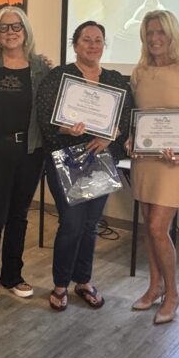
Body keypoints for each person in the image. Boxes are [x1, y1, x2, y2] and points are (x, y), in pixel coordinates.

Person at [37, 20, 131, 312]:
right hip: (67, 158)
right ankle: (61, 285)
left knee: (91, 225)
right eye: (86, 39)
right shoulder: (59, 76)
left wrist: (109, 135)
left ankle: (83, 282)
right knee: (71, 224)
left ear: (104, 45)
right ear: (75, 45)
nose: (93, 45)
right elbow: (45, 117)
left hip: (101, 158)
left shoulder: (116, 79)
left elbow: (126, 117)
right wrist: (69, 130)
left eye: (98, 40)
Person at [128, 10, 179, 324]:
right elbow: (139, 117)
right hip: (146, 161)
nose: (154, 38)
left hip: (174, 162)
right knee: (149, 229)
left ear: (173, 34)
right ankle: (154, 286)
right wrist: (132, 139)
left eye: (161, 32)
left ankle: (172, 293)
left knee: (159, 229)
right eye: (149, 33)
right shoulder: (140, 72)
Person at [0, 6, 48, 307]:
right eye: (3, 28)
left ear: (26, 30)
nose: (10, 32)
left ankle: (12, 277)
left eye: (16, 26)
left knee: (19, 216)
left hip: (30, 151)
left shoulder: (41, 68)